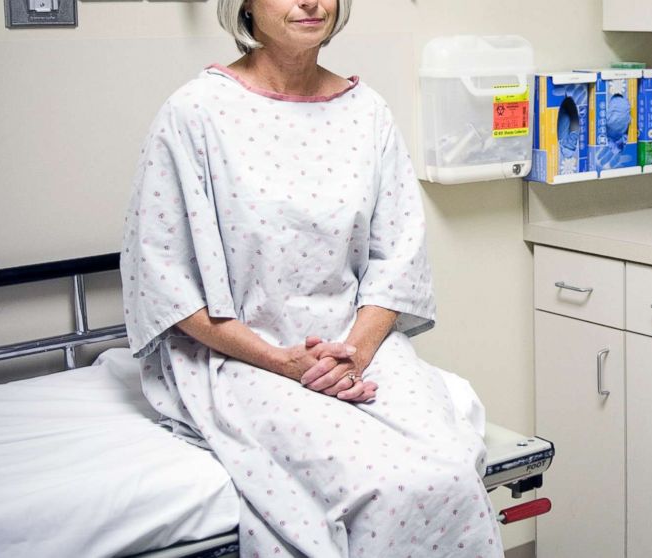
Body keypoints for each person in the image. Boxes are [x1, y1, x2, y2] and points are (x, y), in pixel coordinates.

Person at [119, 1, 504, 556]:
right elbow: (164, 280)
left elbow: (397, 258)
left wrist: (356, 351)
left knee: (450, 466)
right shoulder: (196, 113)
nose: (310, 1)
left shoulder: (366, 112)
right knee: (380, 482)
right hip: (242, 352)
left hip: (358, 342)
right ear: (245, 5)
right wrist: (284, 362)